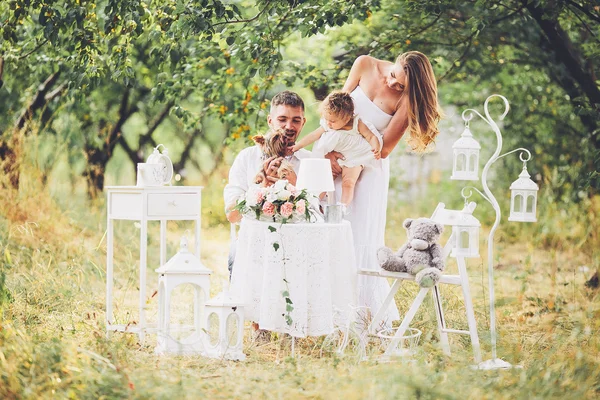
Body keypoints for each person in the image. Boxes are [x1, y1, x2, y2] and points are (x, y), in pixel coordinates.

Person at [325, 51, 441, 328]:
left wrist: (351, 162)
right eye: (393, 77)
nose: (393, 86)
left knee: (358, 233)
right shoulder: (364, 65)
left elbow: (385, 148)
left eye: (401, 87)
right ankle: (326, 308)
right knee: (329, 225)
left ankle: (360, 316)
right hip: (334, 157)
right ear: (395, 63)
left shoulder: (407, 100)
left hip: (368, 170)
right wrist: (330, 154)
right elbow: (336, 108)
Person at [224, 90, 312, 225]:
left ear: (303, 123)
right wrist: (261, 189)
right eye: (282, 119)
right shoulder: (247, 158)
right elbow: (232, 216)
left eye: (296, 120)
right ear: (270, 121)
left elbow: (322, 215)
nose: (289, 126)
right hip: (256, 241)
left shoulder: (311, 161)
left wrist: (297, 185)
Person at [289, 91, 381, 206]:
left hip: (354, 158)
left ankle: (342, 206)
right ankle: (312, 203)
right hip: (336, 158)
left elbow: (370, 136)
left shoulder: (357, 123)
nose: (328, 123)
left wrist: (375, 147)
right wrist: (297, 146)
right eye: (326, 119)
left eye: (332, 121)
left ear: (347, 118)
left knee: (348, 183)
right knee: (324, 180)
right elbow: (313, 135)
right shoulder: (327, 124)